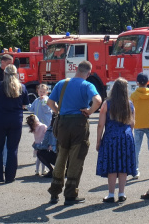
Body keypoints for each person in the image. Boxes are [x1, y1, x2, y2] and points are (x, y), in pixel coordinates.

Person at [46, 60, 102, 206]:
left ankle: (54, 193)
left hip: (63, 123)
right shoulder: (87, 85)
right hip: (79, 124)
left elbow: (50, 103)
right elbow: (98, 100)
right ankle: (70, 194)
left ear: (76, 69)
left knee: (61, 157)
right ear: (88, 73)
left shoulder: (62, 83)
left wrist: (60, 111)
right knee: (76, 159)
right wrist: (89, 111)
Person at [96, 77, 136, 203]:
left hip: (111, 137)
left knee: (112, 166)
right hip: (126, 136)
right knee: (123, 165)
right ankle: (122, 193)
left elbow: (100, 125)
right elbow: (132, 123)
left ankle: (111, 194)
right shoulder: (129, 104)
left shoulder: (106, 104)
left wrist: (98, 141)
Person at [0, 64, 28, 184]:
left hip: (0, 119)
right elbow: (24, 105)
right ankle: (10, 176)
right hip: (16, 120)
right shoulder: (22, 87)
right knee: (12, 149)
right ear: (16, 74)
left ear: (4, 74)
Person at [130, 72, 149, 179]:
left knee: (136, 148)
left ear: (137, 83)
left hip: (137, 125)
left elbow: (131, 110)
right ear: (148, 82)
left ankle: (135, 170)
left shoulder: (133, 95)